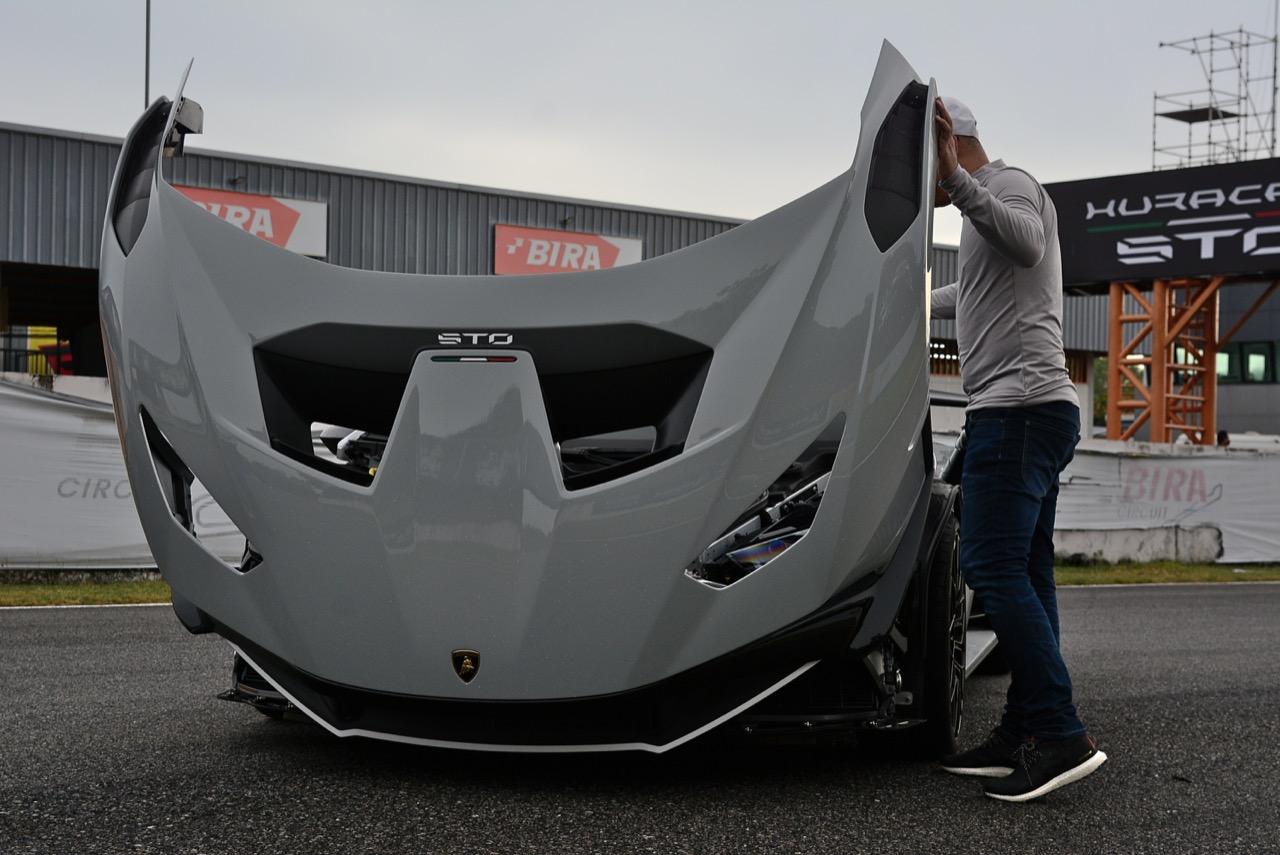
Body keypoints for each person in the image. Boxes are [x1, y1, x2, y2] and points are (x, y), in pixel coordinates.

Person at [929, 95, 1107, 802]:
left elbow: (1029, 243)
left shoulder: (1008, 183)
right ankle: (1026, 728)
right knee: (1026, 571)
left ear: (949, 140)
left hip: (1021, 410)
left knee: (991, 565)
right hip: (1026, 410)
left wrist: (955, 177)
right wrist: (905, 301)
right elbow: (973, 292)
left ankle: (1060, 731)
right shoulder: (982, 210)